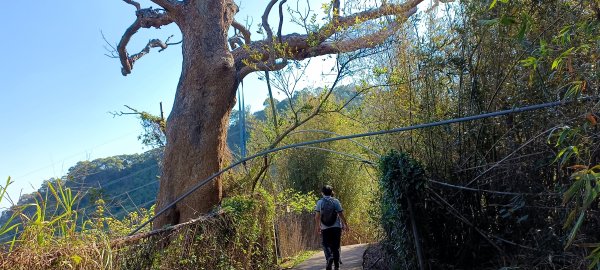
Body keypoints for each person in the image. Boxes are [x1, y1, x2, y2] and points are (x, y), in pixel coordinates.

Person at [314, 185, 349, 270]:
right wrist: (345, 224)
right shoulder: (335, 201)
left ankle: (329, 257)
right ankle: (336, 266)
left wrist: (318, 226)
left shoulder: (320, 202)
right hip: (336, 227)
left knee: (326, 245)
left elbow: (317, 216)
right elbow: (341, 214)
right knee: (336, 246)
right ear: (332, 192)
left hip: (325, 228)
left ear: (322, 193)